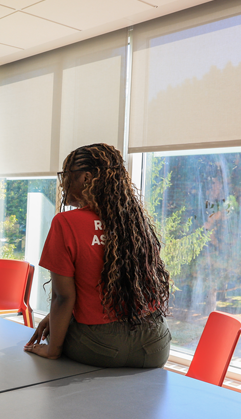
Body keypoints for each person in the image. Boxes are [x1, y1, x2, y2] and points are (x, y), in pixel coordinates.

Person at [25, 143, 172, 368]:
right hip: (155, 345)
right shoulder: (135, 222)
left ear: (85, 178)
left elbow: (63, 297)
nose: (64, 183)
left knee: (57, 335)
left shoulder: (65, 223)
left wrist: (52, 349)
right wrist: (53, 320)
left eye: (67, 176)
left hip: (103, 346)